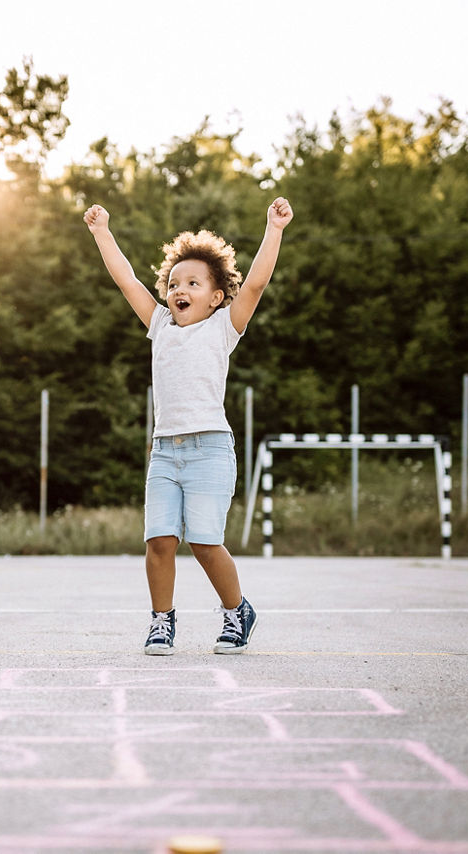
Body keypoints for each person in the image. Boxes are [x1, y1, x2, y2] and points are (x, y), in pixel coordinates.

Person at [83, 197, 293, 655]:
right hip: (165, 451)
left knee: (203, 542)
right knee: (159, 540)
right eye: (175, 282)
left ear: (216, 297)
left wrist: (273, 229)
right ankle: (162, 621)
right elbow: (126, 280)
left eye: (194, 283)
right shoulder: (160, 324)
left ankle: (237, 610)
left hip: (211, 450)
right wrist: (103, 232)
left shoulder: (223, 327)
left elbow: (255, 285)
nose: (181, 288)